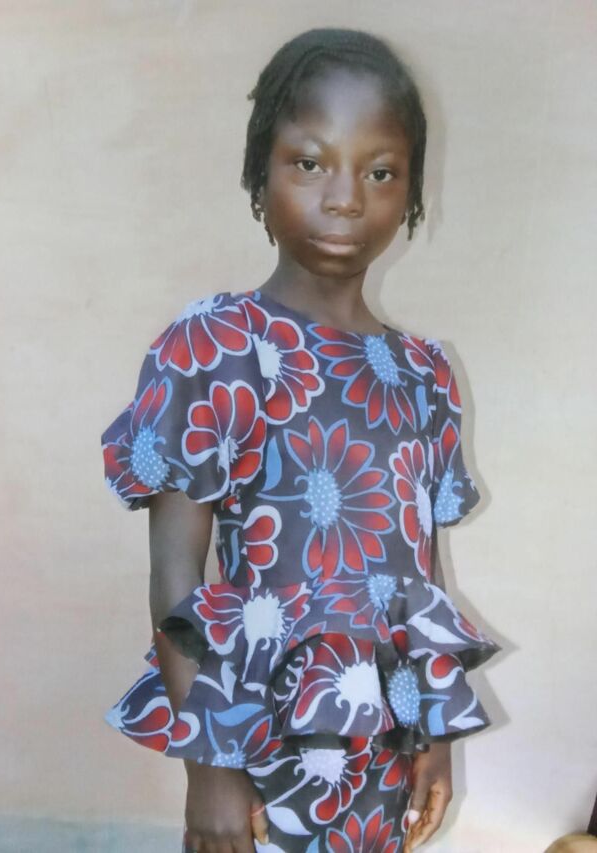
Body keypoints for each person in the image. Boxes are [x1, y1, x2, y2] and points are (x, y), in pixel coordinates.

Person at [101, 27, 501, 853]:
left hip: (382, 749)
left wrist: (435, 730)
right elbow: (176, 575)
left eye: (380, 171)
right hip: (257, 742)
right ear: (261, 173)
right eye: (310, 163)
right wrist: (210, 766)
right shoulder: (214, 345)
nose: (346, 197)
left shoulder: (424, 374)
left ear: (411, 190)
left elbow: (420, 575)